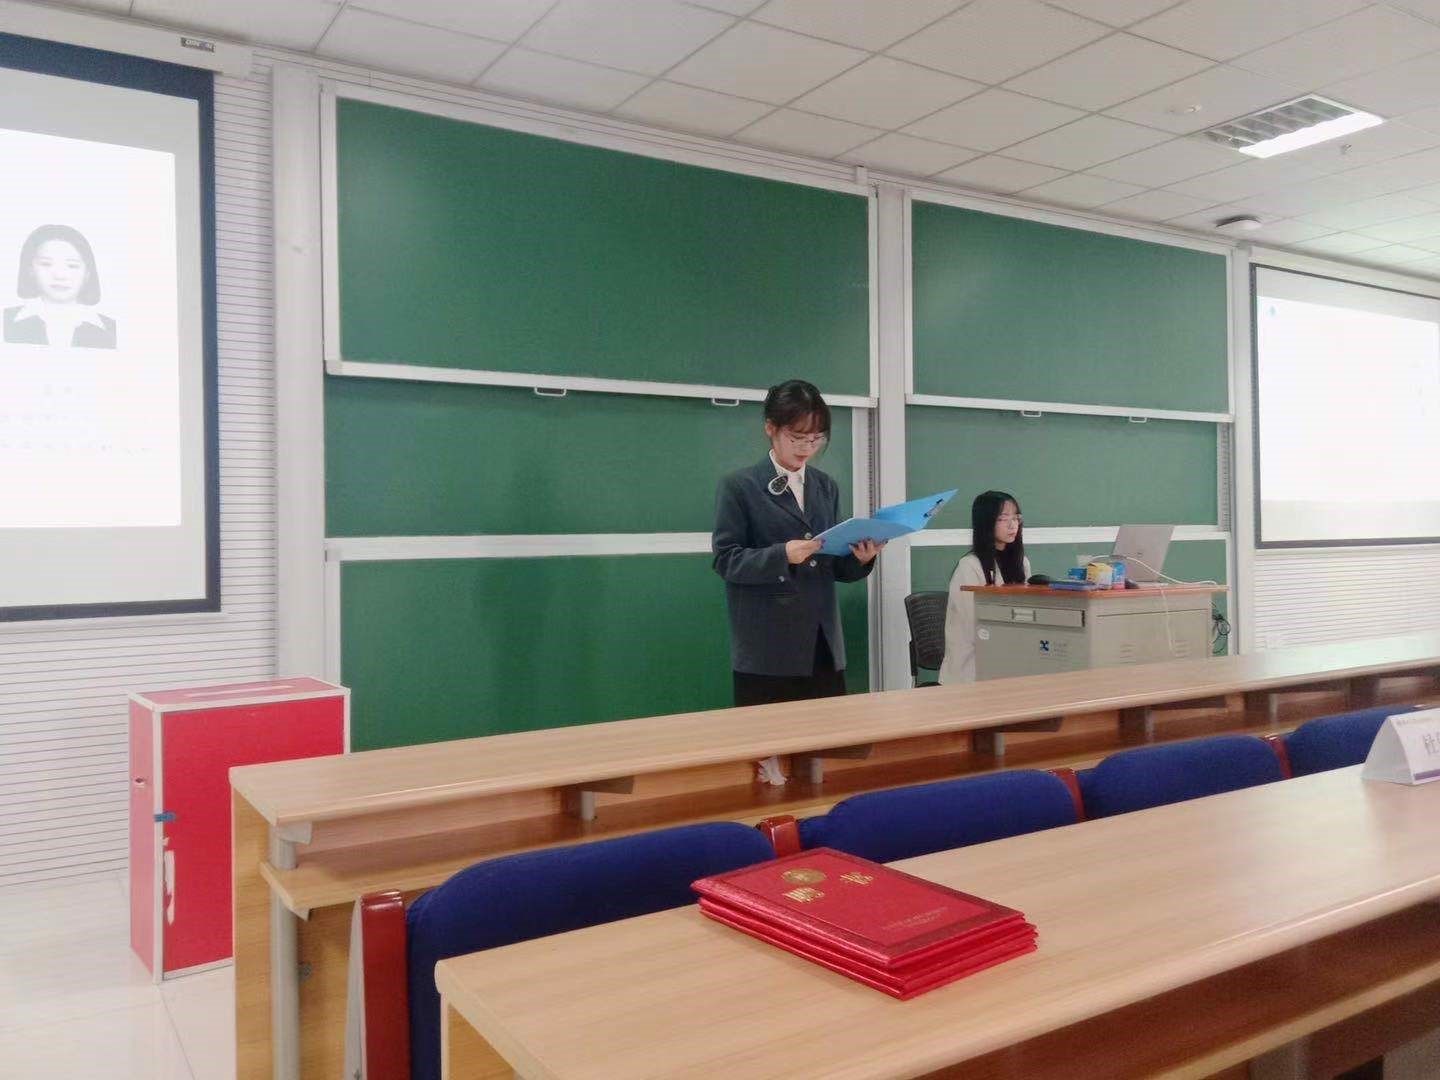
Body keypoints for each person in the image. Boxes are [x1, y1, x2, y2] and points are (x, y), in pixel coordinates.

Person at [712, 379, 882, 783]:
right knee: (767, 755)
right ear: (771, 429)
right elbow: (726, 559)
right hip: (767, 645)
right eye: (797, 437)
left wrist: (861, 559)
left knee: (822, 751)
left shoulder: (825, 486)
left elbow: (831, 565)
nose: (807, 447)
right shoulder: (740, 486)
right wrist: (781, 555)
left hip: (821, 640)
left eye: (816, 438)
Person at [938, 490, 1031, 685]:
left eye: (1016, 518)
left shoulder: (1022, 563)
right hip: (972, 667)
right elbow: (975, 625)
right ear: (986, 522)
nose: (1012, 525)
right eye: (1003, 518)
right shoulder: (969, 566)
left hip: (1011, 658)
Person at [4, 224, 117, 349]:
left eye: (72, 266)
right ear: (30, 269)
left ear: (87, 273)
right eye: (46, 264)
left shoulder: (113, 331)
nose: (60, 275)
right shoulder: (5, 321)